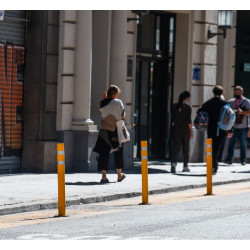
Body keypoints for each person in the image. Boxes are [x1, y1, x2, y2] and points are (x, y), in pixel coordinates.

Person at [93, 85, 126, 183]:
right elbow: (122, 116)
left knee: (104, 153)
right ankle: (119, 175)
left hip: (104, 130)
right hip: (115, 130)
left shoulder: (101, 102)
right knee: (118, 153)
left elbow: (102, 113)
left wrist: (105, 99)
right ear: (115, 94)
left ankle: (103, 177)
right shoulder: (118, 102)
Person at [198, 85, 228, 175]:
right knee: (217, 148)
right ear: (222, 93)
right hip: (221, 129)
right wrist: (230, 130)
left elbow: (200, 111)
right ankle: (214, 166)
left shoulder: (208, 103)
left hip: (210, 128)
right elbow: (229, 117)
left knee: (211, 148)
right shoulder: (225, 104)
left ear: (213, 92)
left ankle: (212, 165)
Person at [224, 86, 250, 165]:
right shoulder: (231, 101)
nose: (237, 94)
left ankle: (243, 160)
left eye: (238, 93)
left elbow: (249, 112)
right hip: (232, 126)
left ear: (242, 92)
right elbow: (227, 112)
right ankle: (229, 159)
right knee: (231, 143)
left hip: (243, 126)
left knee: (243, 143)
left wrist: (241, 112)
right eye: (236, 93)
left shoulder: (246, 101)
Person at [170, 91, 193, 173]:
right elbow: (189, 121)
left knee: (176, 147)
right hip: (185, 129)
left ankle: (173, 164)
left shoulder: (174, 106)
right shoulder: (187, 108)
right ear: (186, 98)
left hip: (176, 128)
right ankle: (185, 166)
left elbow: (172, 119)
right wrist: (191, 131)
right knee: (185, 148)